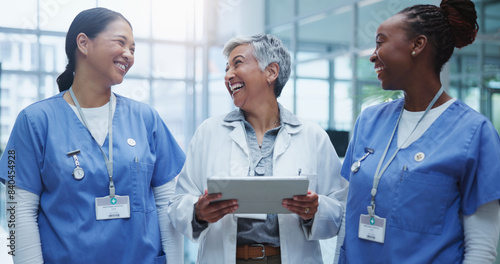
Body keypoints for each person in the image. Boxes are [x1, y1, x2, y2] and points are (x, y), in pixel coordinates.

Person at [0, 7, 185, 264]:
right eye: (121, 42)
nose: (129, 55)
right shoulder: (34, 121)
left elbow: (168, 206)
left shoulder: (146, 119)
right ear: (84, 44)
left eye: (133, 48)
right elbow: (17, 211)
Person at [339, 0, 500, 263]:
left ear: (417, 45)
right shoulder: (369, 122)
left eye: (380, 42)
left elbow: (481, 248)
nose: (372, 54)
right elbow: (348, 220)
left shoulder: (474, 132)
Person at [168, 34, 348, 264]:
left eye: (238, 63)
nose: (228, 75)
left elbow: (339, 212)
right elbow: (177, 204)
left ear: (271, 72)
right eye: (226, 68)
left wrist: (315, 210)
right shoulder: (209, 132)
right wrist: (198, 213)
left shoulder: (313, 136)